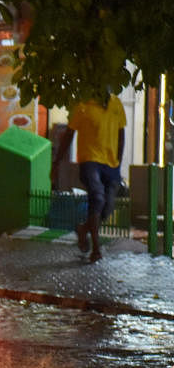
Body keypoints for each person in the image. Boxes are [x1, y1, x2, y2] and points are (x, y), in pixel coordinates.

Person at [51, 93, 126, 263]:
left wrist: (118, 163)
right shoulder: (83, 105)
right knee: (97, 197)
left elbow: (121, 135)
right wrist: (57, 162)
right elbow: (69, 134)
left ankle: (84, 228)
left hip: (111, 163)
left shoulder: (117, 104)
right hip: (89, 160)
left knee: (107, 207)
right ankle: (96, 248)